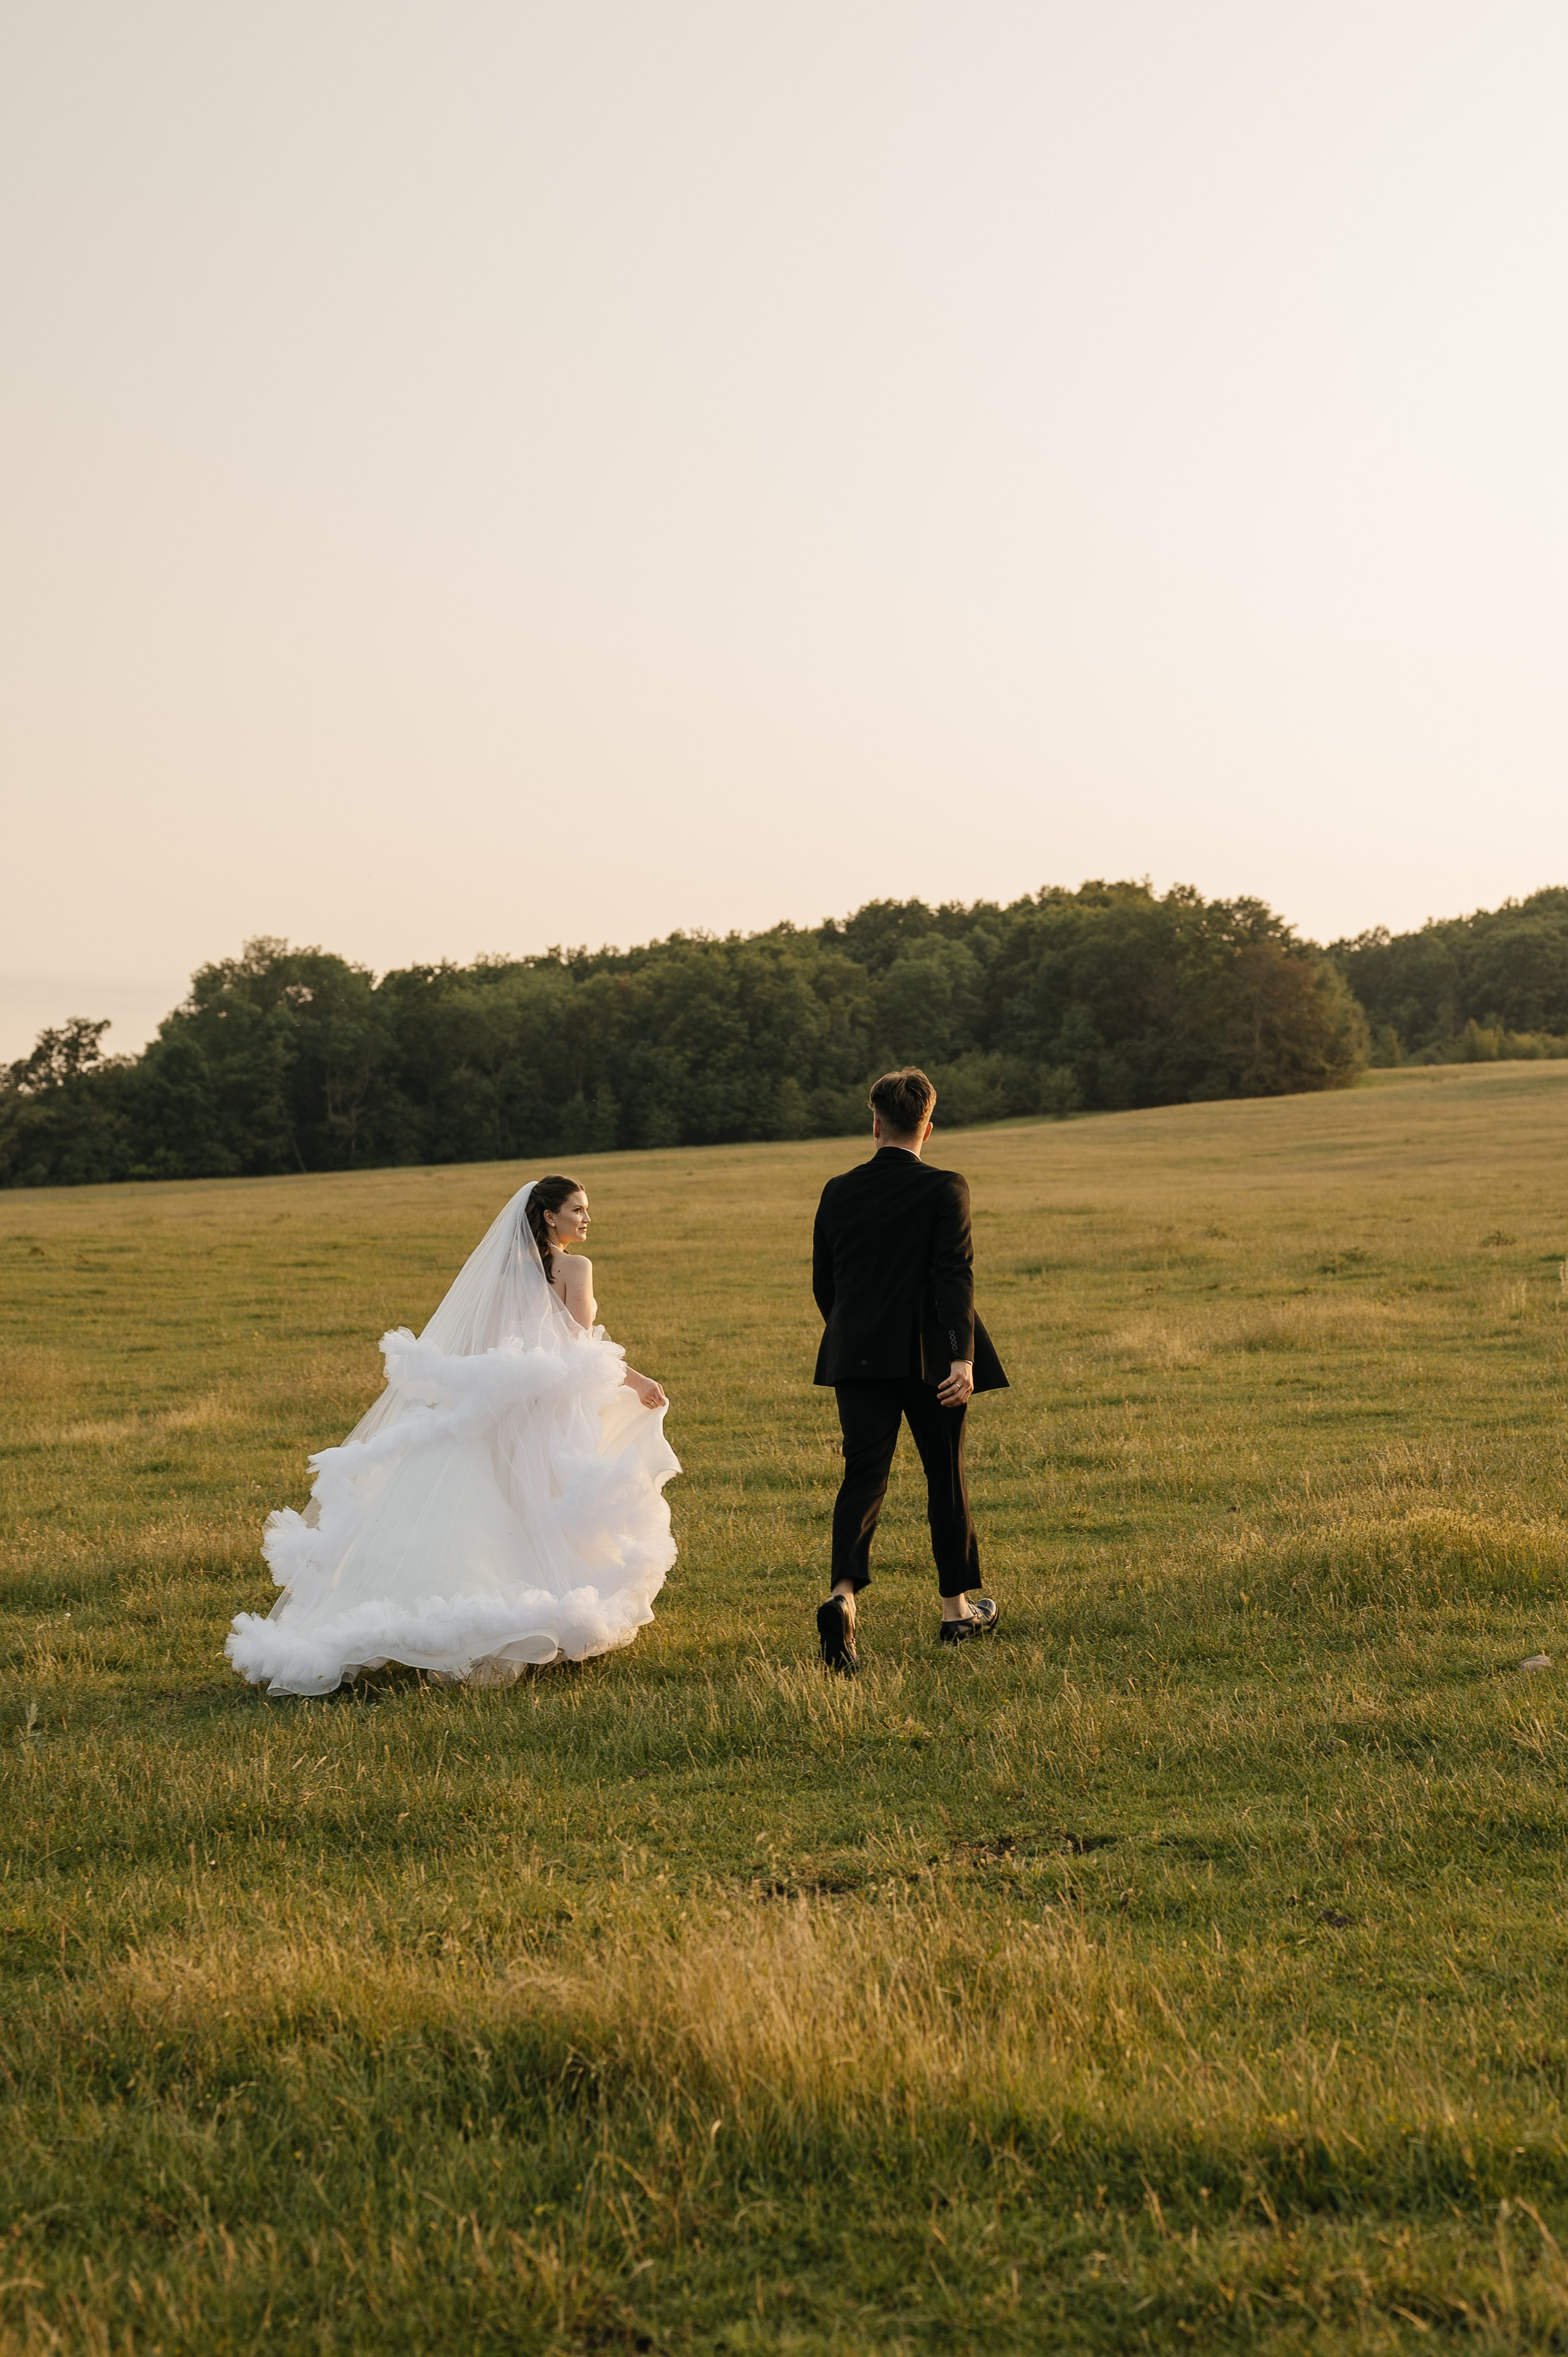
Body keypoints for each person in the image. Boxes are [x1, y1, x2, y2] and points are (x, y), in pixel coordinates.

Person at [226, 1176, 678, 1696]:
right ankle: (535, 1618)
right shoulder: (575, 1268)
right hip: (550, 1410)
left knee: (495, 1510)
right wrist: (639, 1382)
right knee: (543, 1507)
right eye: (578, 1209)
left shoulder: (502, 1271)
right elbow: (580, 1346)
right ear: (549, 1216)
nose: (587, 1219)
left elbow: (487, 1343)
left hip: (501, 1403)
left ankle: (468, 1619)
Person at [811, 1068, 1008, 1673]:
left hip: (857, 1356)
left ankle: (843, 1597)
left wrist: (856, 1336)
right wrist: (961, 1357)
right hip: (932, 1359)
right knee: (944, 1475)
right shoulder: (946, 1187)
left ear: (876, 1125)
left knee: (863, 1476)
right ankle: (955, 1610)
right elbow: (954, 1275)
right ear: (928, 1127)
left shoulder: (838, 1190)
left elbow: (826, 1284)